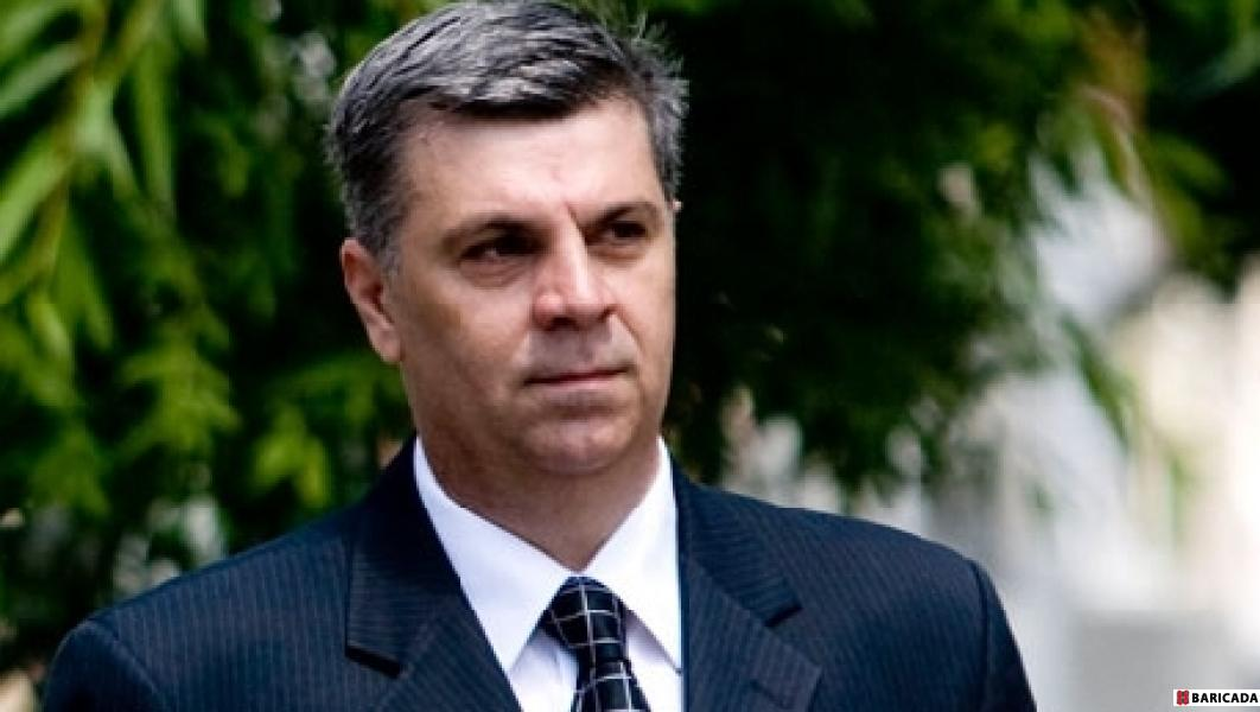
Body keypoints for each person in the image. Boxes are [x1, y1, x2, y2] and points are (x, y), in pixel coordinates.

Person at [43, 1, 1036, 709]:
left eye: (620, 233)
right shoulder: (182, 681)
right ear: (377, 298)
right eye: (500, 248)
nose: (578, 297)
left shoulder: (924, 635)